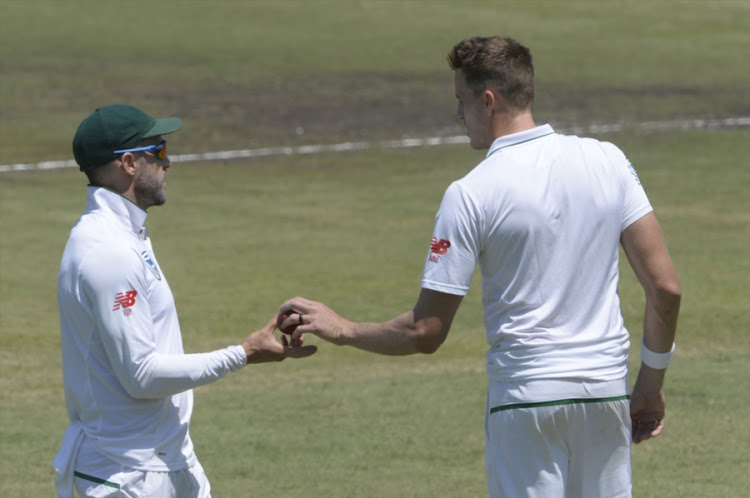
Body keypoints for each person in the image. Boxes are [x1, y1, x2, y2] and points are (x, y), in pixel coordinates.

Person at [278, 36, 681, 497]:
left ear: (487, 101)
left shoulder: (470, 193)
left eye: (461, 101)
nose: (458, 115)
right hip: (605, 394)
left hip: (524, 404)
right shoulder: (609, 160)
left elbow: (424, 332)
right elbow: (665, 288)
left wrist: (343, 328)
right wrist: (649, 382)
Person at [53, 104, 316, 498]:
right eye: (157, 151)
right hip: (127, 474)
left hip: (167, 459)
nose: (169, 162)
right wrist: (242, 354)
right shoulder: (108, 250)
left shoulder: (126, 233)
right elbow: (141, 375)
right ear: (127, 163)